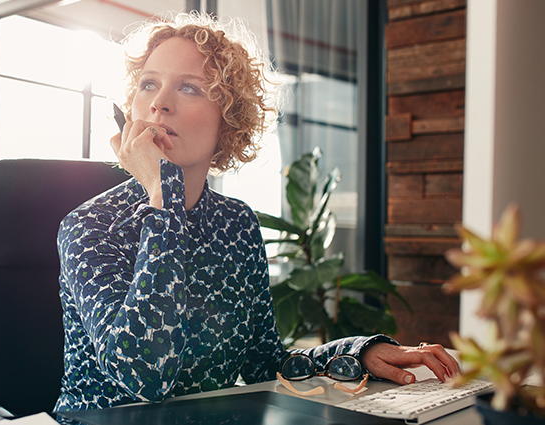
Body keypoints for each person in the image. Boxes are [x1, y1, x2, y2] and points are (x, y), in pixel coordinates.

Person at [54, 12, 459, 412]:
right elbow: (144, 374)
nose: (159, 103)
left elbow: (263, 362)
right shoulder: (91, 225)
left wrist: (360, 352)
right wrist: (163, 199)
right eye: (148, 84)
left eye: (189, 89)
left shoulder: (237, 223)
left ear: (228, 120)